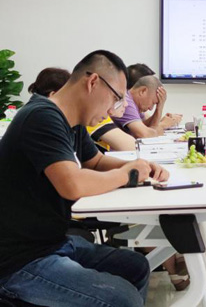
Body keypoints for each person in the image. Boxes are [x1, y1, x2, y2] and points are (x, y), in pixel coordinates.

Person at [0, 50, 170, 306]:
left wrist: (139, 166)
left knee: (136, 266)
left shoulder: (72, 121)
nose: (113, 110)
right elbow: (72, 185)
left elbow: (97, 162)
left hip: (51, 243)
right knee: (122, 299)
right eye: (116, 98)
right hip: (19, 261)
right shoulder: (41, 116)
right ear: (93, 82)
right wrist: (126, 174)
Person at [112, 75, 181, 137]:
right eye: (153, 103)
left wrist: (159, 107)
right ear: (143, 91)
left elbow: (146, 126)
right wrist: (163, 125)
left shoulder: (134, 103)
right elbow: (144, 134)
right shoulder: (127, 103)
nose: (151, 108)